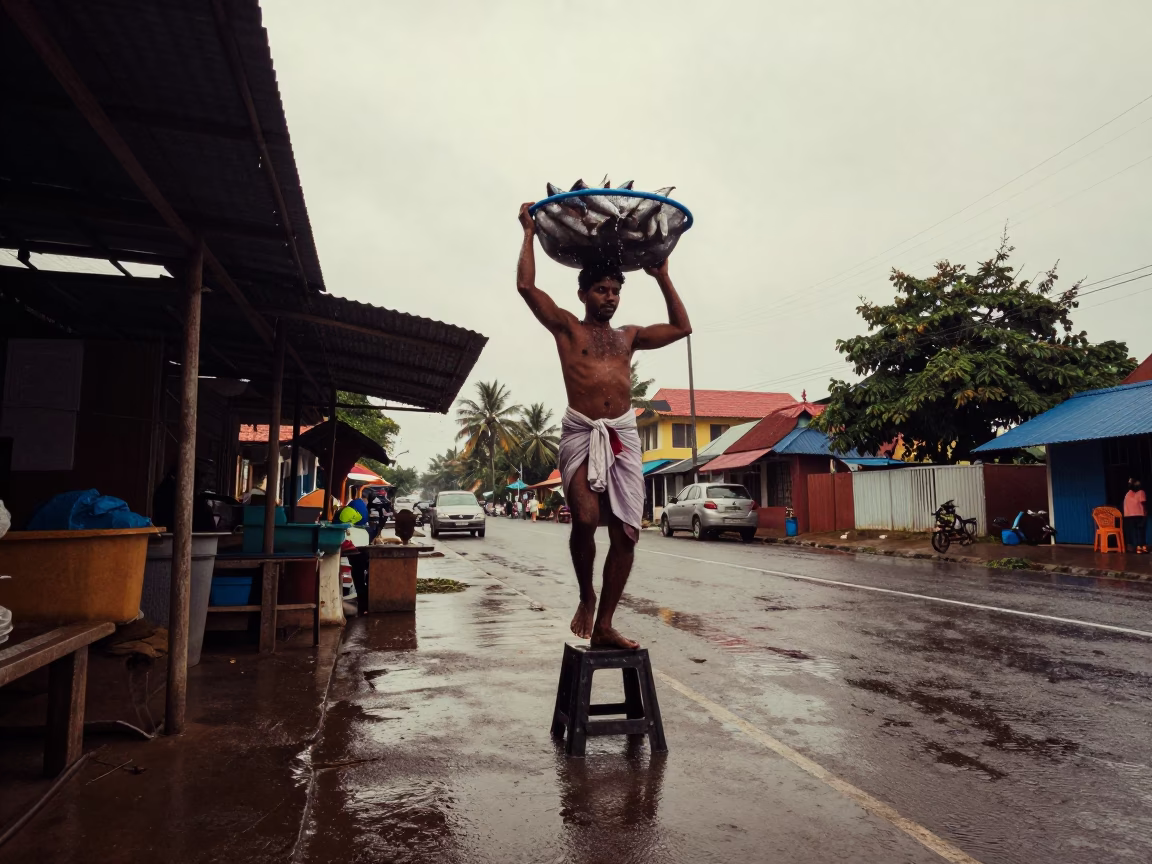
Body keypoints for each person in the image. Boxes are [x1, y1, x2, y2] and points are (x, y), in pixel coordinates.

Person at [517, 202, 691, 649]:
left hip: (623, 435)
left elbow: (681, 327)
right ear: (583, 294)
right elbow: (525, 286)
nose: (609, 297)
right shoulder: (568, 330)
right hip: (581, 433)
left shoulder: (628, 337)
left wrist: (662, 276)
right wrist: (528, 233)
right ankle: (587, 596)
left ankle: (606, 624)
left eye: (614, 291)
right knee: (586, 518)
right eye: (600, 290)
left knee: (628, 533)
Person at [1124, 478, 1148, 554]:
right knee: (1141, 531)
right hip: (1139, 515)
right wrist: (1145, 514)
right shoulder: (1141, 492)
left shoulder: (1128, 494)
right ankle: (1142, 547)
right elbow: (1144, 504)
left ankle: (1137, 547)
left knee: (1134, 532)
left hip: (1129, 515)